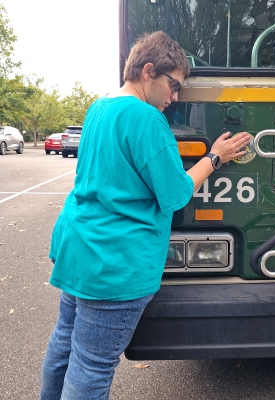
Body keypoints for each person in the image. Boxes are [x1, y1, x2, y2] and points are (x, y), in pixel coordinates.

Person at [40, 31, 250, 400]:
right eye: (173, 86)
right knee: (93, 365)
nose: (174, 97)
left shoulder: (98, 107)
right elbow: (175, 193)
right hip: (115, 261)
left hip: (79, 248)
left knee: (64, 346)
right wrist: (214, 158)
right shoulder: (147, 119)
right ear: (148, 70)